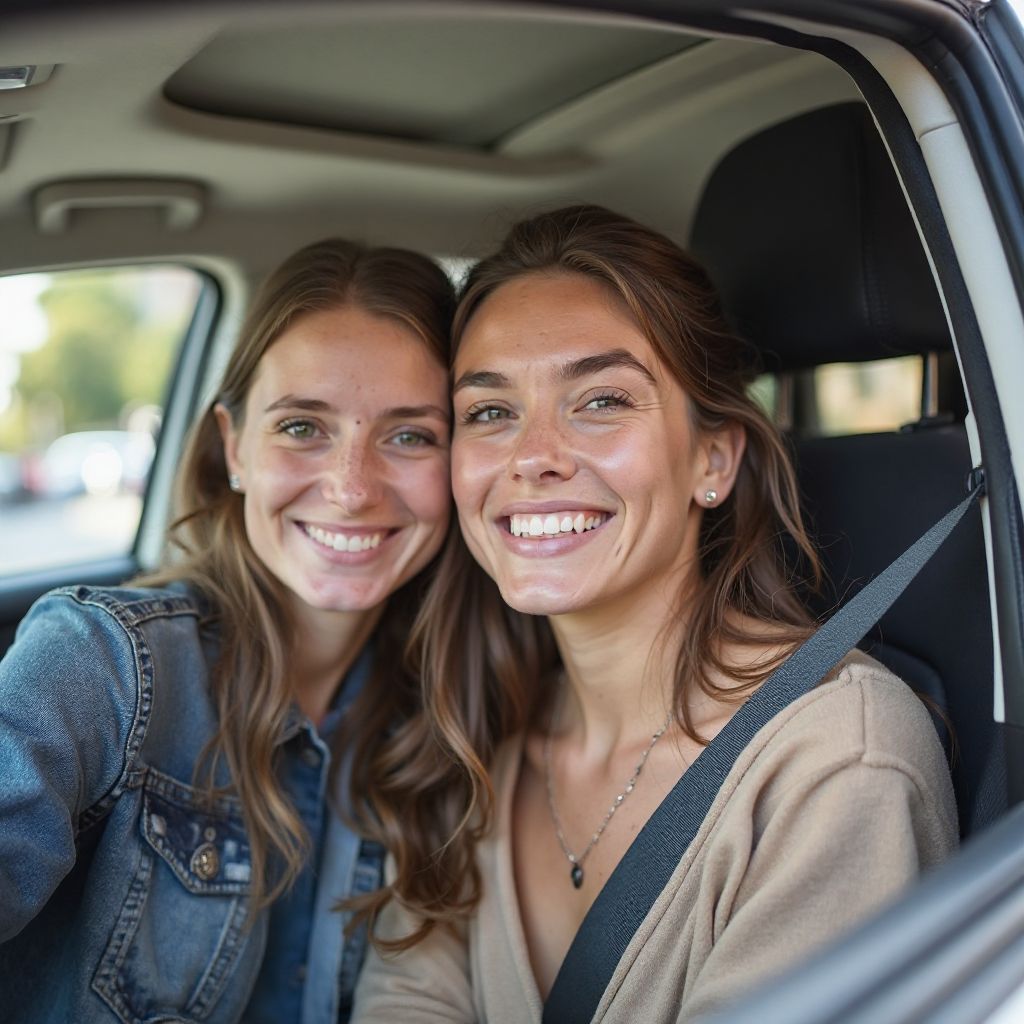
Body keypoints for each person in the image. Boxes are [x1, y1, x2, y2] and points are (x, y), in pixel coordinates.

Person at [352, 206, 959, 1022]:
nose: (533, 457)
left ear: (713, 458)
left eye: (601, 400)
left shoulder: (838, 760)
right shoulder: (474, 738)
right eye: (490, 412)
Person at [0, 238, 455, 1024]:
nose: (352, 489)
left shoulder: (453, 713)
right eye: (303, 427)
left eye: (410, 435)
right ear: (234, 444)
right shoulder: (101, 663)